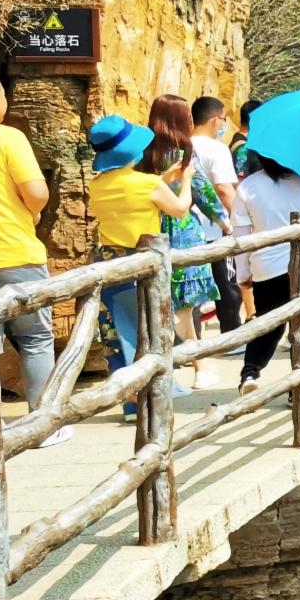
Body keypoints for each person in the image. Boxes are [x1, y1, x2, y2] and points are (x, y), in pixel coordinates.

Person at [87, 113, 194, 418]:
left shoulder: (98, 185)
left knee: (114, 331)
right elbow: (179, 210)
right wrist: (183, 182)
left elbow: (127, 192)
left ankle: (130, 400)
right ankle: (151, 395)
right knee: (148, 328)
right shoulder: (147, 183)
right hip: (142, 262)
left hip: (108, 262)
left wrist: (163, 180)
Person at [229, 155, 300, 396]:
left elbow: (242, 236)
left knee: (268, 322)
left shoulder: (248, 186)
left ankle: (250, 372)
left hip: (268, 267)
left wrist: (244, 272)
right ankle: (297, 387)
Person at [0, 67, 56, 417]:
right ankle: (44, 422)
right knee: (35, 339)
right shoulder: (7, 137)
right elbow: (36, 191)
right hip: (15, 254)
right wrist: (33, 210)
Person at [147, 95, 218, 384]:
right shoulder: (184, 151)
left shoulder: (144, 151)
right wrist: (224, 220)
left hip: (152, 228)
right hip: (183, 230)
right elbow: (202, 190)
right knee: (185, 304)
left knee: (167, 300)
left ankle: (184, 361)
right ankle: (197, 364)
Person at [190, 96, 245, 332]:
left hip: (186, 227)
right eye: (223, 119)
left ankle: (190, 339)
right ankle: (231, 332)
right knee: (226, 283)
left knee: (190, 286)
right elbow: (224, 189)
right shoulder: (217, 149)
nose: (223, 125)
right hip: (214, 227)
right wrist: (238, 221)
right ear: (214, 120)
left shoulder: (182, 144)